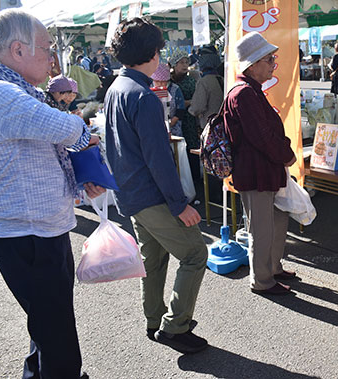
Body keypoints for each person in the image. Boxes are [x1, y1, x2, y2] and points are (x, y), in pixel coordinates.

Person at [0, 9, 104, 378]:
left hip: (33, 228)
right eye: (46, 47)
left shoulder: (18, 90)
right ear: (17, 50)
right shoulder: (3, 93)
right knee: (57, 332)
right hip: (28, 233)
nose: (53, 56)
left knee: (44, 323)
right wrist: (83, 133)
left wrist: (79, 176)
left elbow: (39, 148)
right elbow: (68, 128)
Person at [105, 17, 209, 354]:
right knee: (195, 254)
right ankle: (174, 327)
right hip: (153, 195)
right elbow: (159, 158)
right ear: (153, 53)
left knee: (153, 260)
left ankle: (155, 320)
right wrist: (180, 204)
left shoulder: (115, 89)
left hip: (130, 194)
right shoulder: (144, 96)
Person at [224, 32, 297, 295]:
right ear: (252, 64)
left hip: (263, 170)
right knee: (261, 229)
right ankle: (262, 280)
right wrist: (287, 155)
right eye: (269, 59)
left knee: (276, 220)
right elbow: (263, 137)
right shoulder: (243, 93)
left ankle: (273, 268)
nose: (272, 64)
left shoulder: (250, 90)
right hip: (255, 172)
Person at [169, 49, 200, 177]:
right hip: (173, 123)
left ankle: (195, 180)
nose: (185, 65)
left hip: (189, 119)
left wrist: (184, 103)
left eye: (186, 62)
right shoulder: (168, 81)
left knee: (190, 148)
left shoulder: (191, 81)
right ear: (174, 65)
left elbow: (198, 99)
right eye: (181, 62)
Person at [188, 44, 223, 129]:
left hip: (210, 127)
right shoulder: (223, 79)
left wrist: (189, 109)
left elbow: (197, 107)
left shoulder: (204, 82)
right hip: (224, 124)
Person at [151, 62, 186, 137]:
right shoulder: (149, 89)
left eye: (163, 82)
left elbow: (181, 109)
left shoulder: (175, 89)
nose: (160, 84)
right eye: (157, 81)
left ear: (167, 80)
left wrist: (171, 122)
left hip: (174, 128)